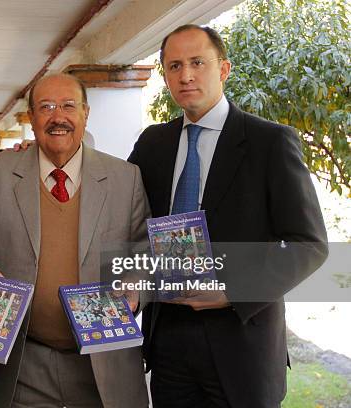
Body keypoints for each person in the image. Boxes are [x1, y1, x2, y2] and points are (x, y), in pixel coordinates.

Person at [128, 25, 328, 407]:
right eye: (174, 66)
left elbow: (310, 245)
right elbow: (118, 207)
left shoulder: (270, 141)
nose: (185, 75)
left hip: (243, 344)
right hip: (168, 342)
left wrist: (233, 291)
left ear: (223, 69)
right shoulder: (152, 143)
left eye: (197, 63)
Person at [0, 74, 151, 408]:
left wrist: (137, 290)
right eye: (46, 107)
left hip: (103, 364)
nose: (57, 116)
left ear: (86, 113)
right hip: (21, 366)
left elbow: (145, 256)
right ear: (31, 117)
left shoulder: (125, 178)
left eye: (68, 106)